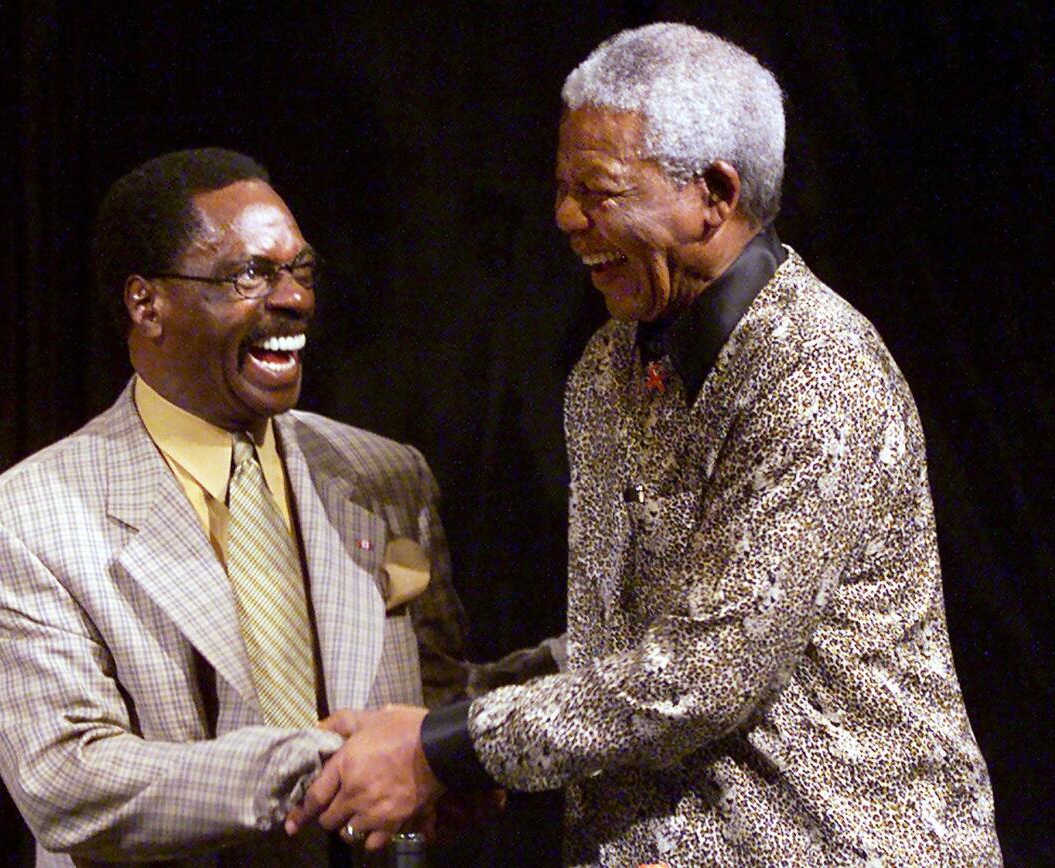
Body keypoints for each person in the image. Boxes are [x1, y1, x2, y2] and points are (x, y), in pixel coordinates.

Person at [286, 23, 1003, 866]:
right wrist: (445, 730)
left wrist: (444, 748)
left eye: (598, 190)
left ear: (715, 193)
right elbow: (622, 643)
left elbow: (708, 671)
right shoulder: (607, 371)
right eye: (561, 187)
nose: (564, 218)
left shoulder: (815, 368)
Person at [0, 148, 468, 866]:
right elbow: (69, 780)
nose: (295, 299)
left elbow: (439, 690)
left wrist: (506, 726)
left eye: (301, 270)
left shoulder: (386, 476)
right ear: (147, 304)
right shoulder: (23, 524)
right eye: (251, 274)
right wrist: (334, 766)